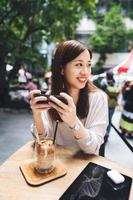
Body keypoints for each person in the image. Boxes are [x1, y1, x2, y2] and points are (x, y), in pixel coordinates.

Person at [29, 40, 108, 155]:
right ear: (62, 69)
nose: (86, 72)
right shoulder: (52, 97)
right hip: (57, 163)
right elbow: (43, 139)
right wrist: (37, 115)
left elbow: (93, 148)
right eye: (79, 64)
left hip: (84, 166)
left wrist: (73, 122)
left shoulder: (98, 98)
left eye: (89, 65)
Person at [100, 71, 120, 140]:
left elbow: (101, 93)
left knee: (103, 120)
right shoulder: (115, 83)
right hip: (113, 104)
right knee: (110, 120)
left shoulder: (103, 83)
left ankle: (103, 134)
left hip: (105, 104)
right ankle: (107, 134)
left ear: (106, 76)